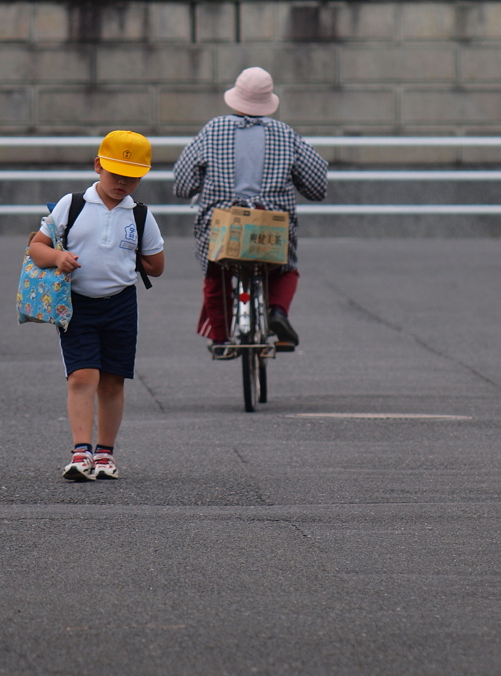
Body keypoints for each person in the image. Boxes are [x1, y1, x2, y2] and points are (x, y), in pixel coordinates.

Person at [28, 130, 165, 481]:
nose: (122, 182)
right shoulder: (71, 205)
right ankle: (80, 452)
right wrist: (58, 256)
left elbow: (157, 264)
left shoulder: (140, 215)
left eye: (132, 177)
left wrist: (133, 255)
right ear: (98, 166)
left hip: (120, 303)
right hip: (77, 305)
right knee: (82, 375)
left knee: (113, 380)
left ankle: (105, 454)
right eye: (116, 173)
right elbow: (37, 248)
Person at [172, 66, 327, 353]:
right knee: (285, 269)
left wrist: (199, 187)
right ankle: (277, 312)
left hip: (223, 224)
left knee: (215, 271)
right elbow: (317, 185)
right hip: (270, 223)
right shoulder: (285, 134)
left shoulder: (213, 129)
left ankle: (220, 338)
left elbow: (183, 182)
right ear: (268, 101)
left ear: (236, 97)